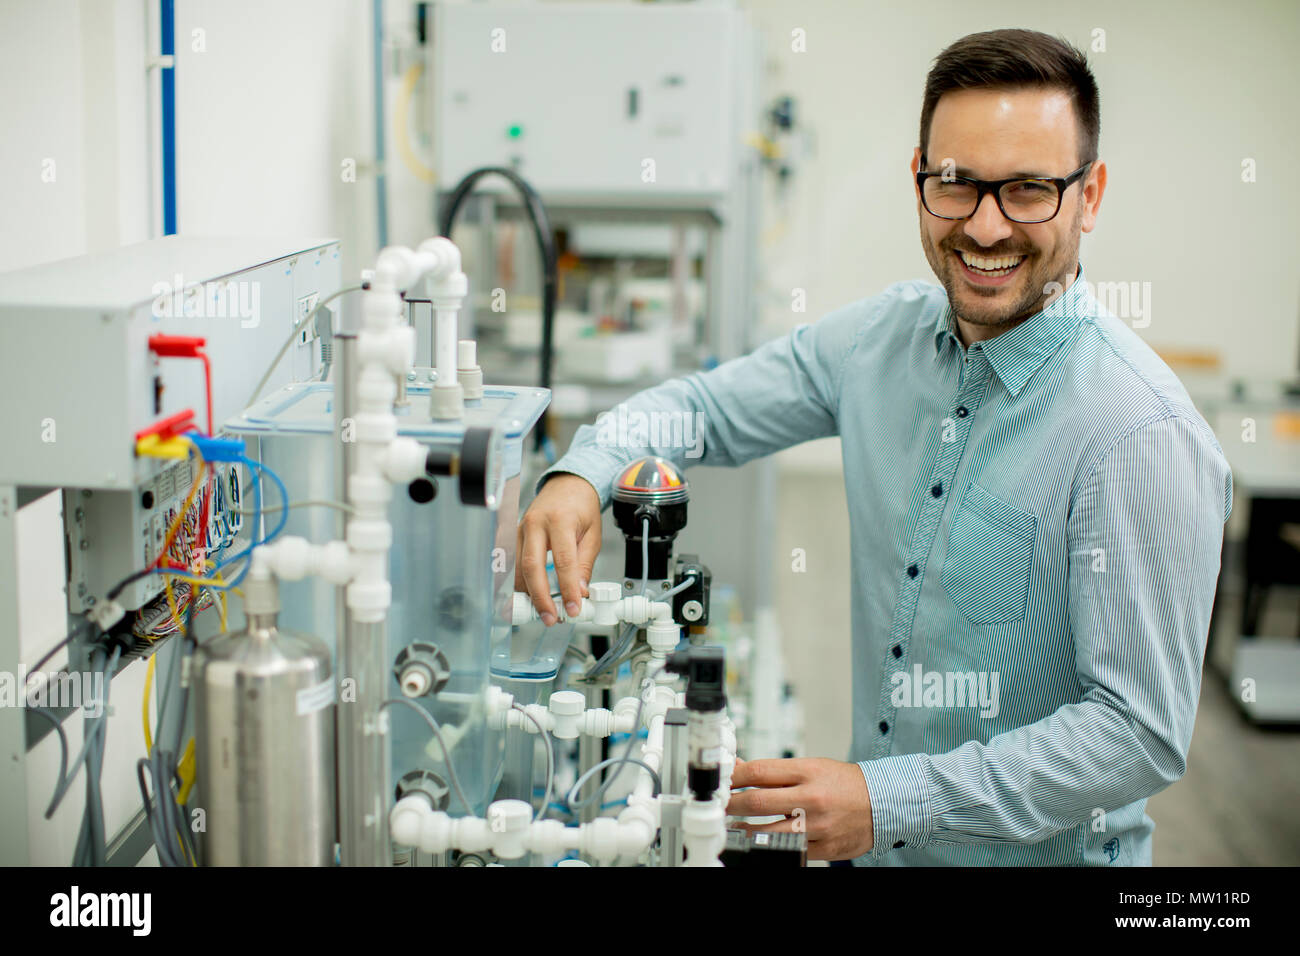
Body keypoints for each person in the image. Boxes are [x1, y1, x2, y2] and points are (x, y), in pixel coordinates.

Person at [514, 28, 1232, 865]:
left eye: (1030, 190)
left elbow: (1136, 733)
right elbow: (703, 407)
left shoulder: (1140, 435)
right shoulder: (877, 342)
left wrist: (890, 797)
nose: (987, 227)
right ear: (920, 177)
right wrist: (583, 473)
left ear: (1091, 194)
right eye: (956, 184)